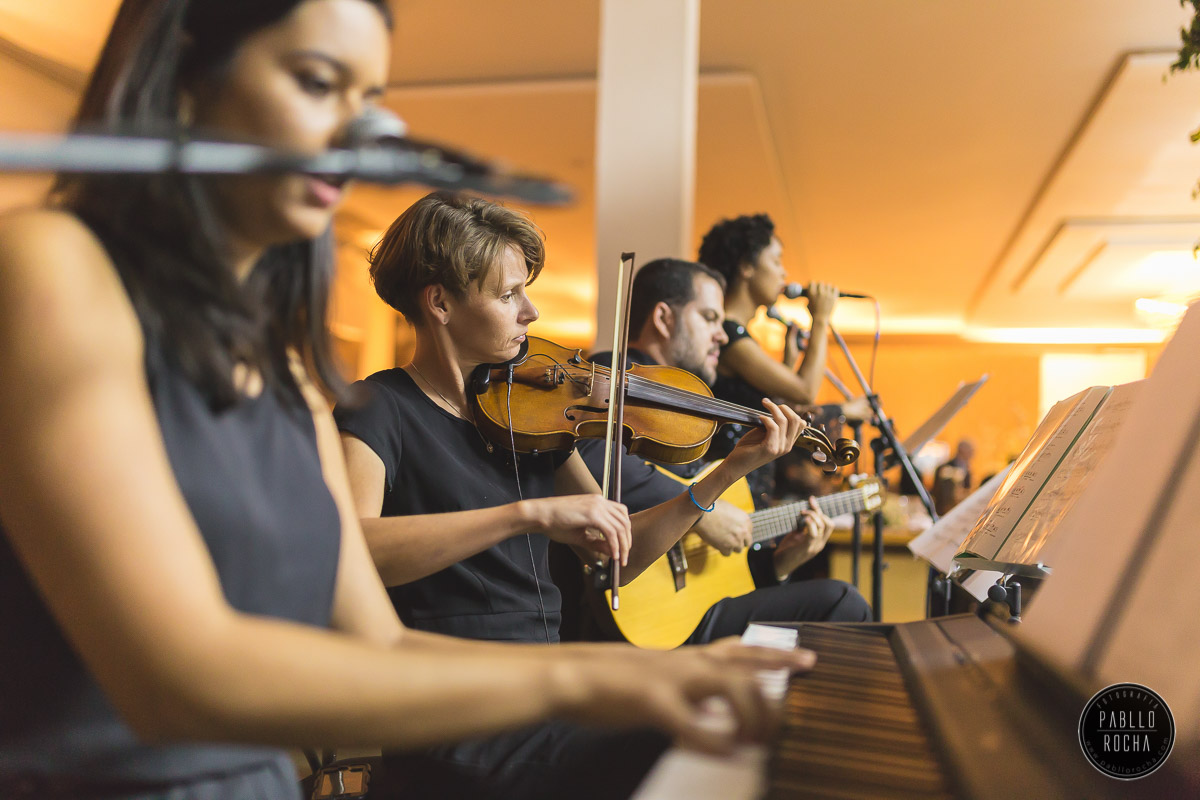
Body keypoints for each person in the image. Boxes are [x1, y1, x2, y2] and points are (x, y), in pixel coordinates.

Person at [0, 3, 811, 798]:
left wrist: (642, 671)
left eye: (370, 102)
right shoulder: (49, 263)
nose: (363, 135)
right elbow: (173, 680)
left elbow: (380, 646)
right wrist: (587, 679)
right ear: (186, 71)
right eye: (318, 82)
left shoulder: (286, 373)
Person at [334, 192, 813, 797]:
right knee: (682, 743)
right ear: (440, 303)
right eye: (508, 295)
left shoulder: (526, 414)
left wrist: (724, 475)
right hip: (452, 715)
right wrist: (525, 515)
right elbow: (353, 551)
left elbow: (620, 557)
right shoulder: (379, 408)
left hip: (546, 687)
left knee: (730, 721)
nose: (530, 312)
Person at [577, 258, 870, 637]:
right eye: (709, 318)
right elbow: (593, 458)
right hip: (621, 603)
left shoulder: (686, 401)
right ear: (664, 319)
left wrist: (781, 563)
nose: (722, 335)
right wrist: (700, 510)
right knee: (841, 601)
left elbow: (717, 572)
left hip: (677, 611)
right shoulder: (613, 377)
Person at [932, 438, 976, 515]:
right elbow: (938, 490)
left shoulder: (967, 470)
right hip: (944, 509)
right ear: (962, 451)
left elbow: (967, 488)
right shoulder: (944, 467)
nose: (972, 455)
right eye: (970, 451)